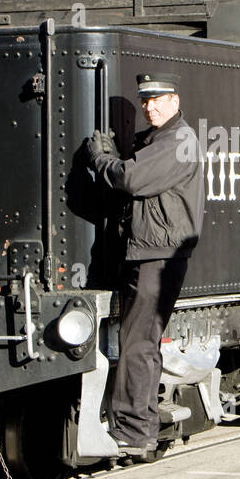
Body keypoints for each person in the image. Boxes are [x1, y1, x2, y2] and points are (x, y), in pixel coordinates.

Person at [87, 72, 205, 457]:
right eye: (145, 101)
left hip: (158, 255)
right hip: (150, 251)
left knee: (138, 342)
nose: (150, 107)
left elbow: (133, 178)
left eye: (158, 99)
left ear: (175, 100)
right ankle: (136, 426)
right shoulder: (161, 140)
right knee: (139, 339)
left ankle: (134, 432)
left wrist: (100, 157)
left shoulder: (177, 142)